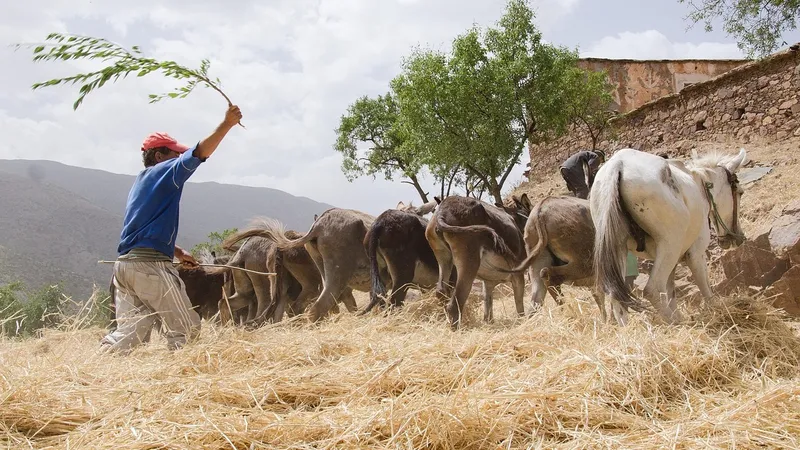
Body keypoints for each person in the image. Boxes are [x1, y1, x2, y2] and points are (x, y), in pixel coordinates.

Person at [100, 104, 243, 354]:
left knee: (129, 333)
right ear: (158, 156)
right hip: (149, 268)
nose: (178, 159)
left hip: (125, 267)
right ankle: (182, 383)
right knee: (187, 329)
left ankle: (93, 370)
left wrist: (177, 252)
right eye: (173, 154)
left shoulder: (140, 182)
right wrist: (227, 124)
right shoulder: (164, 172)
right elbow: (199, 154)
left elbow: (140, 229)